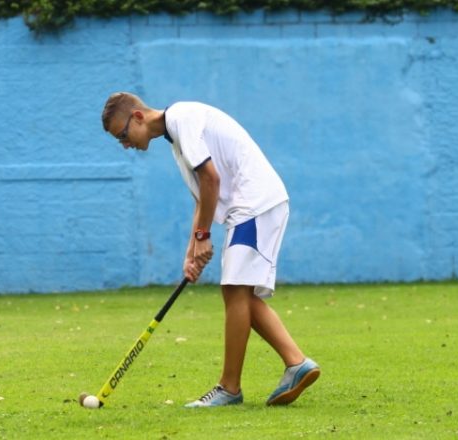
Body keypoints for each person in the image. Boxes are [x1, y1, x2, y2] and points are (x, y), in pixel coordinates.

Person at [101, 92, 320, 407]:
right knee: (239, 294)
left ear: (137, 117)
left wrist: (204, 235)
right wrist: (192, 251)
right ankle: (296, 363)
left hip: (255, 204)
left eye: (123, 135)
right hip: (250, 207)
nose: (125, 145)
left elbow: (211, 180)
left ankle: (229, 388)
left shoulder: (182, 119)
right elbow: (201, 198)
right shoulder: (177, 139)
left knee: (235, 290)